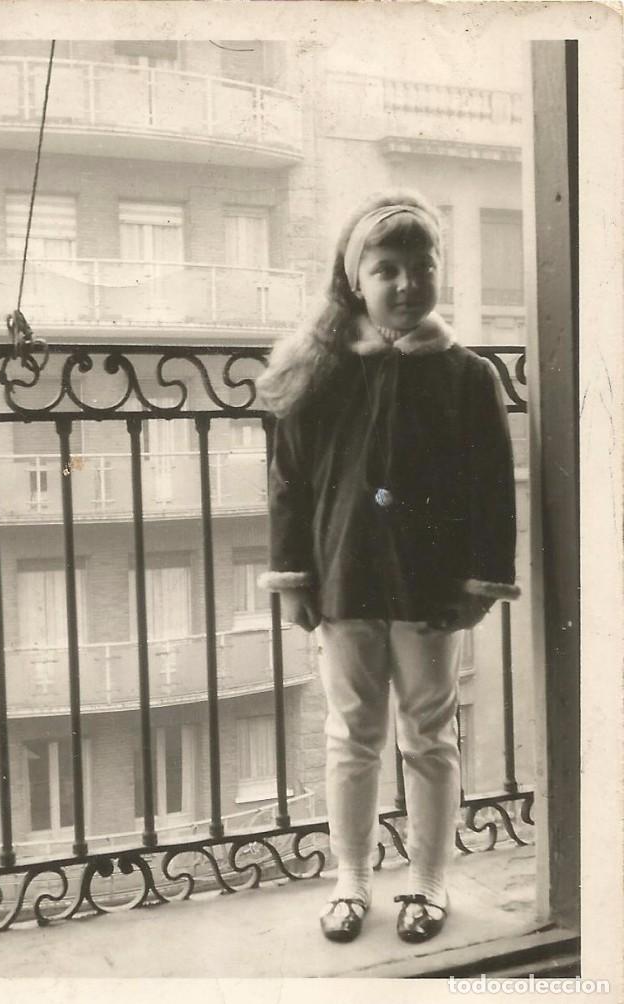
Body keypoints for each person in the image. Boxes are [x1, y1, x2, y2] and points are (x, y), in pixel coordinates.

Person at [257, 189, 520, 945]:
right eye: (387, 270)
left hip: (431, 589)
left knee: (430, 735)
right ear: (355, 281)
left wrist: (481, 584)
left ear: (440, 271)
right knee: (352, 733)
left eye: (421, 265)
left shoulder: (467, 376)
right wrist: (293, 578)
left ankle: (429, 885)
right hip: (345, 580)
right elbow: (288, 483)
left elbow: (493, 490)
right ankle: (351, 881)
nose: (407, 283)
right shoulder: (324, 372)